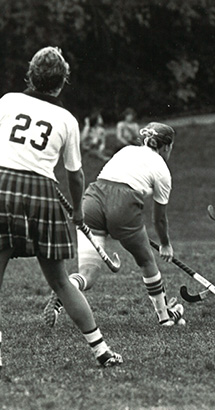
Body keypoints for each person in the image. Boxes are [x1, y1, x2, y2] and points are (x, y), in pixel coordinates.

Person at [0, 46, 121, 367]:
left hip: (3, 186)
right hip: (42, 192)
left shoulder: (8, 101)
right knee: (60, 280)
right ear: (61, 81)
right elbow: (76, 174)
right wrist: (79, 210)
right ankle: (101, 351)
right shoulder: (66, 119)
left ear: (30, 74)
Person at [43, 122, 185, 328]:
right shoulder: (163, 171)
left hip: (92, 200)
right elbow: (159, 218)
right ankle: (164, 318)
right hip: (123, 206)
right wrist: (165, 244)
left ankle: (65, 289)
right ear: (166, 146)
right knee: (146, 261)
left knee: (88, 274)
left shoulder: (126, 150)